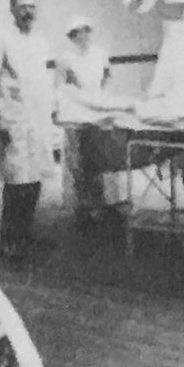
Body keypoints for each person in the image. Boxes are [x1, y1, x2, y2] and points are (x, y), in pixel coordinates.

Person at [0, 0, 61, 264]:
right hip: (11, 117)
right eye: (22, 7)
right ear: (12, 11)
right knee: (16, 180)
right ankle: (9, 239)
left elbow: (43, 78)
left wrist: (53, 108)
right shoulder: (1, 37)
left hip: (37, 117)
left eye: (32, 7)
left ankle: (25, 232)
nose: (28, 12)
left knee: (35, 176)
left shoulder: (40, 40)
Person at [56, 16, 132, 228]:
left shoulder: (99, 53)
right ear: (71, 35)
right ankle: (84, 207)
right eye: (78, 32)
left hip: (99, 111)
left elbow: (107, 76)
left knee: (104, 158)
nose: (83, 36)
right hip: (77, 114)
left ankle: (109, 205)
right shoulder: (65, 58)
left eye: (86, 31)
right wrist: (75, 100)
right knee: (80, 162)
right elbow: (60, 87)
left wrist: (102, 97)